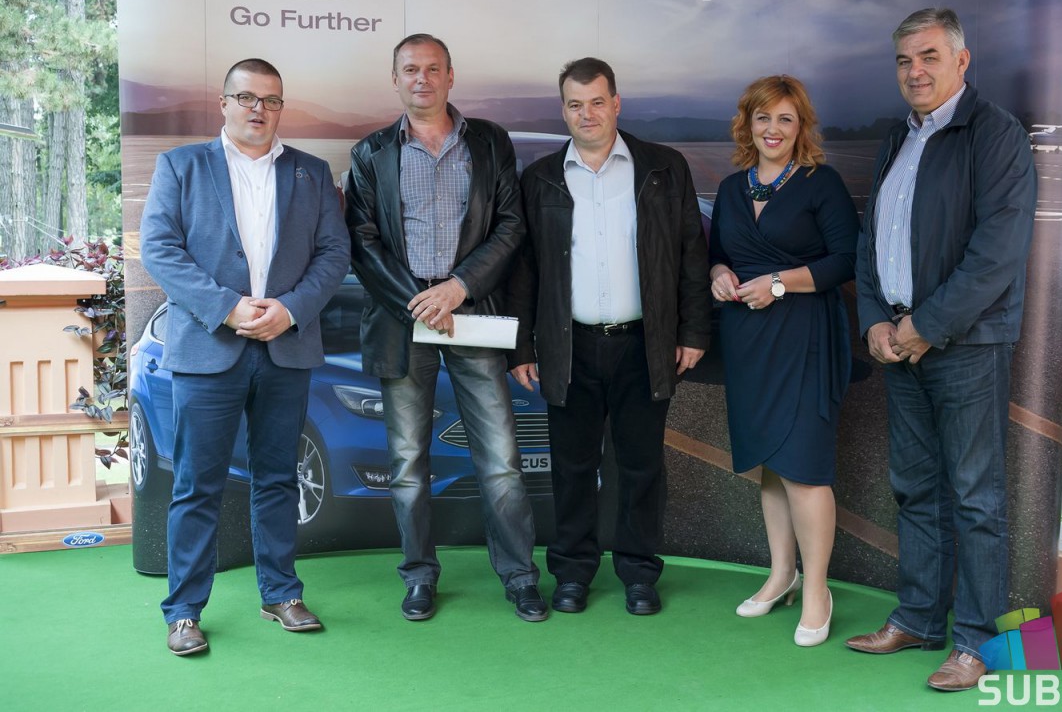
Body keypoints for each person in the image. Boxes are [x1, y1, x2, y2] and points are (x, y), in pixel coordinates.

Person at [846, 8, 1037, 691]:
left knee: (976, 498)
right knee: (916, 488)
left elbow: (997, 254)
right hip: (900, 344)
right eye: (904, 60)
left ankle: (977, 643)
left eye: (928, 56)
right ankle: (920, 619)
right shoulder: (899, 135)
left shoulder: (995, 133)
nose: (915, 71)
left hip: (965, 345)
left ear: (961, 60)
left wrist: (925, 325)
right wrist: (875, 320)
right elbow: (872, 239)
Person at [140, 58, 350, 656]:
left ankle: (281, 593)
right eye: (247, 97)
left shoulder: (311, 172)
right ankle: (184, 611)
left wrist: (291, 309)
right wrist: (228, 308)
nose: (259, 108)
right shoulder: (181, 165)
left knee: (279, 478)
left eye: (271, 99)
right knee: (196, 484)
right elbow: (160, 248)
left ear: (282, 107)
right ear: (225, 103)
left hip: (286, 347)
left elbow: (334, 254)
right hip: (209, 349)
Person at [343, 34, 547, 623]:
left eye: (433, 69)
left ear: (450, 76)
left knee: (501, 460)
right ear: (395, 79)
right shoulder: (371, 153)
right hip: (402, 321)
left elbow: (510, 226)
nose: (422, 79)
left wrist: (459, 287)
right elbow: (362, 241)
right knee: (408, 464)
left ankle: (520, 577)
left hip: (472, 315)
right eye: (411, 69)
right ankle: (418, 577)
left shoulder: (490, 141)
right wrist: (419, 302)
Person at [508, 57, 710, 616]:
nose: (587, 114)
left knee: (641, 465)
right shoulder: (540, 178)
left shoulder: (663, 168)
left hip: (644, 344)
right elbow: (525, 270)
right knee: (571, 467)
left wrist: (693, 330)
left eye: (597, 102)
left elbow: (692, 253)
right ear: (563, 110)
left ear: (616, 104)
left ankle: (639, 573)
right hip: (568, 345)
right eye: (575, 104)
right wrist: (522, 346)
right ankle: (572, 572)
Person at [708, 75, 858, 646]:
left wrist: (778, 282)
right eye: (763, 118)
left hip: (804, 336)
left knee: (804, 467)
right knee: (770, 463)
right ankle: (781, 575)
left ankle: (817, 590)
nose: (773, 129)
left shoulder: (822, 183)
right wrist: (720, 274)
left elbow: (846, 259)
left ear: (801, 128)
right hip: (747, 339)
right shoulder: (730, 188)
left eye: (785, 119)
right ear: (747, 124)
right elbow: (718, 253)